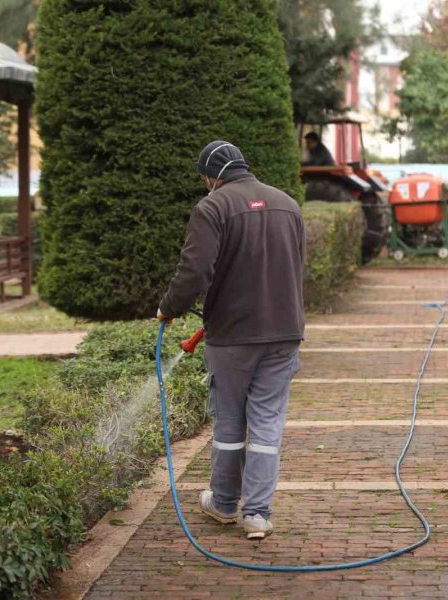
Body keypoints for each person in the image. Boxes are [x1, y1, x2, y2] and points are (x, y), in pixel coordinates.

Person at [157, 141, 305, 540]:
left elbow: (194, 270)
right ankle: (257, 514)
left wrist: (169, 307)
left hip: (233, 335)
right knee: (267, 422)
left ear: (211, 176)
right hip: (284, 332)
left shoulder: (213, 207)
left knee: (229, 421)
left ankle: (223, 504)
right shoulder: (288, 204)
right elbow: (295, 266)